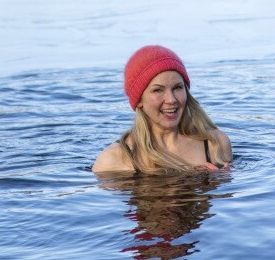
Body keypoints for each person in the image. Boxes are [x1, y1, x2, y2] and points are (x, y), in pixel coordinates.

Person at [90, 45, 233, 176]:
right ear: (139, 100)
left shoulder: (216, 144)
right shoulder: (113, 160)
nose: (171, 99)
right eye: (158, 90)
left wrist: (218, 185)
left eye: (177, 87)